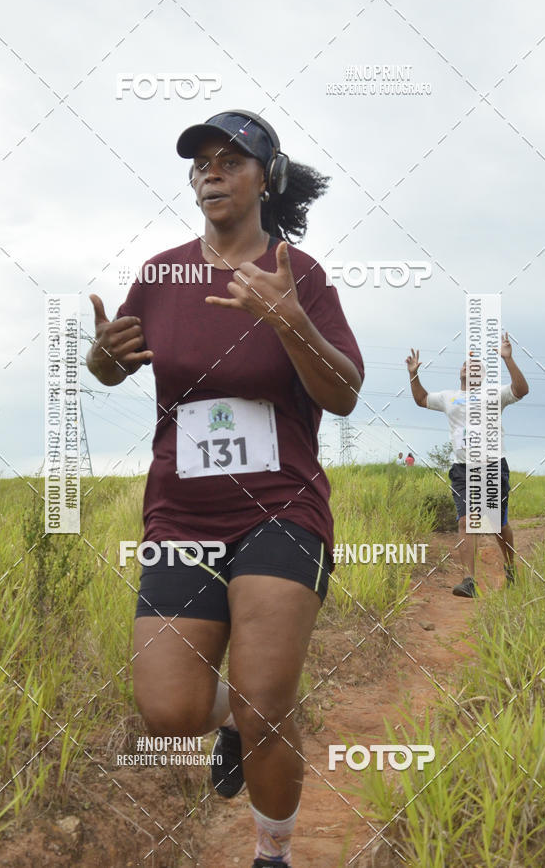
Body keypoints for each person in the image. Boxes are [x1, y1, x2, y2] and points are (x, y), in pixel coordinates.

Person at [86, 110, 364, 868]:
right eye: (201, 162)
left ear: (264, 178)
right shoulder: (163, 273)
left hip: (280, 505)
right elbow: (114, 366)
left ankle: (272, 853)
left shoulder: (297, 274)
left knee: (268, 702)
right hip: (182, 513)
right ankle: (235, 722)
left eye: (230, 160)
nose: (211, 171)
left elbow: (342, 394)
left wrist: (289, 320)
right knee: (170, 712)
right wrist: (102, 357)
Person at [405, 334, 528, 598]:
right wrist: (413, 374)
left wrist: (508, 359)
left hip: (493, 467)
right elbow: (421, 399)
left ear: (482, 374)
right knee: (465, 521)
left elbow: (522, 389)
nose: (467, 367)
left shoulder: (495, 393)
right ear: (460, 372)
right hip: (463, 470)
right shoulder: (449, 397)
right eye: (464, 364)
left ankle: (510, 569)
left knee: (497, 525)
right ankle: (469, 581)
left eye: (474, 366)